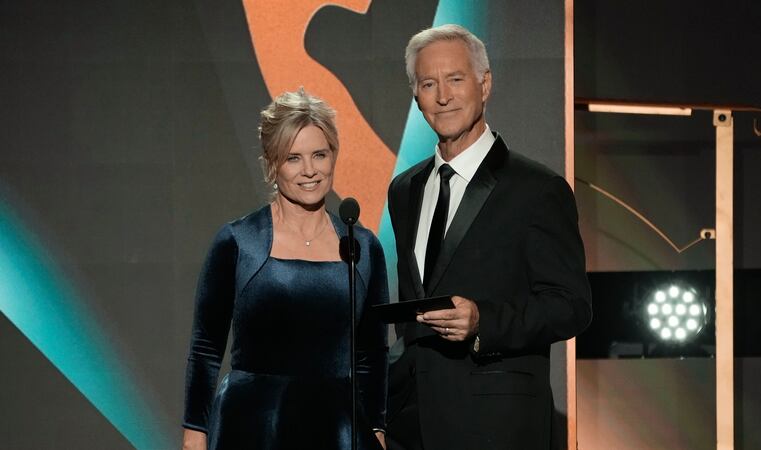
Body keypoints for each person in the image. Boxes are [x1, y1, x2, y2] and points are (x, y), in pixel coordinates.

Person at [385, 25, 592, 450]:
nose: (443, 95)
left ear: (485, 84)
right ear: (416, 96)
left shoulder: (537, 188)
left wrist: (484, 321)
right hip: (415, 426)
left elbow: (571, 307)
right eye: (428, 83)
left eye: (456, 79)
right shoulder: (404, 189)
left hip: (499, 424)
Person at [181, 88, 388, 450]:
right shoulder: (237, 241)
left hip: (337, 430)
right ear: (272, 164)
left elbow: (372, 354)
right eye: (293, 158)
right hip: (251, 428)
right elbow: (206, 348)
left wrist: (377, 432)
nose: (310, 170)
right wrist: (194, 435)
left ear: (333, 156)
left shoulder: (363, 246)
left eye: (319, 155)